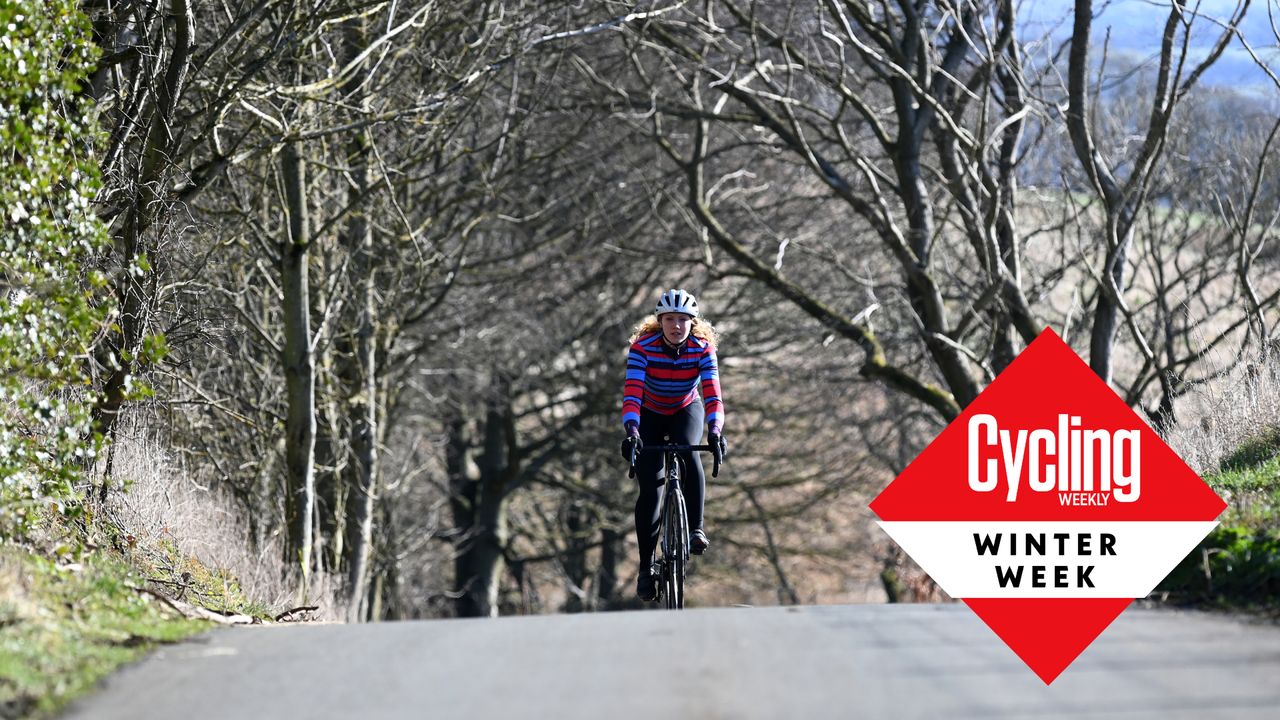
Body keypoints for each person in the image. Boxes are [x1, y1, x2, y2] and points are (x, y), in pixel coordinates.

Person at [619, 288, 727, 602]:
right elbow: (632, 394)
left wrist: (716, 431)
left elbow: (713, 395)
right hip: (649, 413)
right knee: (650, 487)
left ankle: (696, 528)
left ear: (692, 323)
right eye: (669, 319)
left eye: (682, 320)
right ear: (660, 321)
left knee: (687, 452)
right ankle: (645, 566)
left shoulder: (703, 348)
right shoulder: (643, 348)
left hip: (685, 408)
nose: (676, 326)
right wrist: (633, 430)